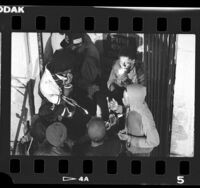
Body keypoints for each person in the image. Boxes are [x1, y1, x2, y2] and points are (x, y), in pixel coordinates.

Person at [109, 84, 160, 157]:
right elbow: (128, 110)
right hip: (132, 148)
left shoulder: (145, 117)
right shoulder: (136, 105)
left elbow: (155, 141)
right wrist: (117, 108)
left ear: (133, 100)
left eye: (125, 98)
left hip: (142, 153)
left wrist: (129, 138)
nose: (122, 100)